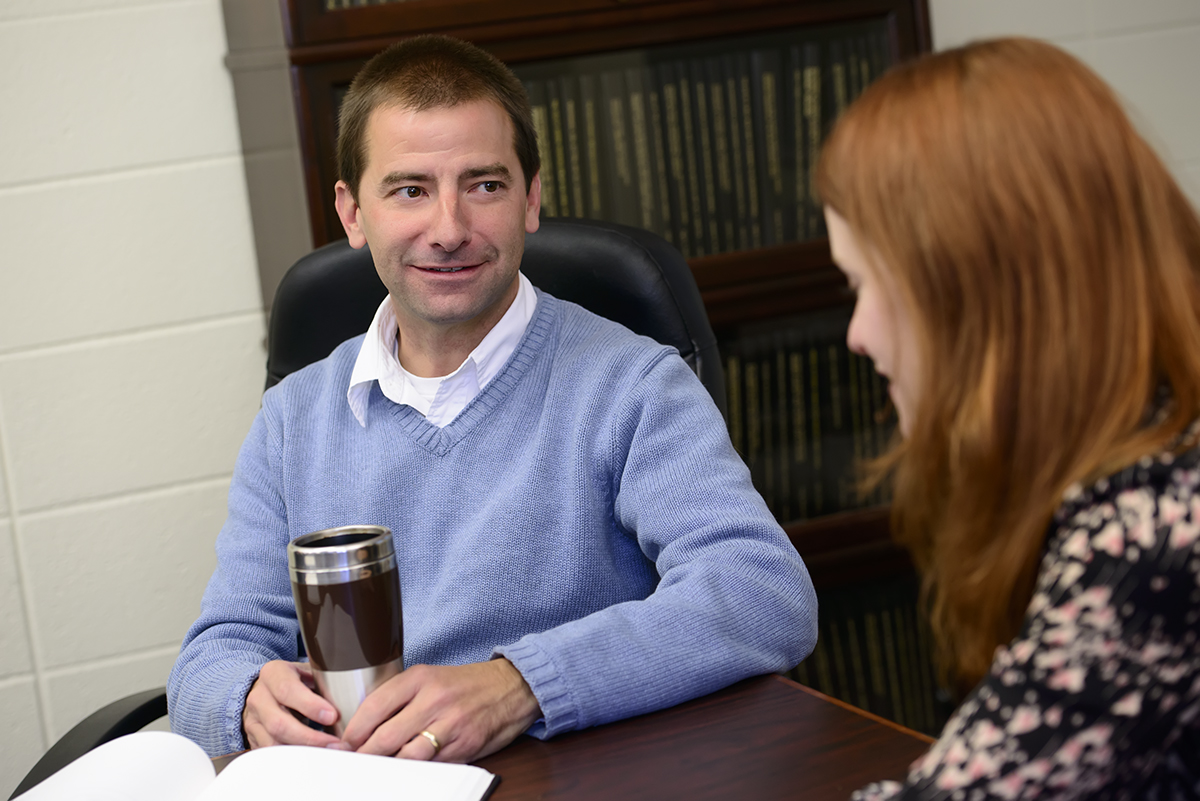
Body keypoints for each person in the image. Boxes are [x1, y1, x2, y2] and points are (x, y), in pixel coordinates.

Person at [167, 34, 816, 763]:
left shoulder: (633, 384)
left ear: (531, 199)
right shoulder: (294, 419)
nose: (449, 229)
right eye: (410, 189)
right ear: (352, 214)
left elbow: (763, 593)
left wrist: (520, 683)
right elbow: (210, 659)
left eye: (484, 184)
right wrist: (246, 696)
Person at [817, 37, 1200, 798]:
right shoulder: (1141, 454)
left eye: (868, 284)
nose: (857, 333)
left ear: (978, 291)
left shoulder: (1155, 543)